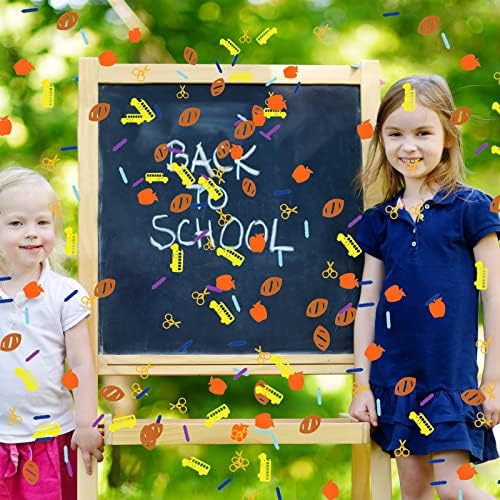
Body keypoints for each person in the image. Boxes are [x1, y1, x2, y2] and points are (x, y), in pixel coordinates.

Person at [348, 75, 500, 499]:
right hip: (396, 383)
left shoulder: (472, 210)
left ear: (448, 137)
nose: (408, 146)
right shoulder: (380, 222)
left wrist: (494, 382)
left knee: (453, 490)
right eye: (395, 134)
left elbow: (496, 297)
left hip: (450, 381)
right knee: (414, 494)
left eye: (422, 133)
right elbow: (368, 304)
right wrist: (362, 385)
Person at [0, 166, 104, 499]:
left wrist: (86, 424)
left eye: (42, 222)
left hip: (51, 438)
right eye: (17, 223)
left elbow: (82, 365)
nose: (32, 232)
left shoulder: (65, 294)